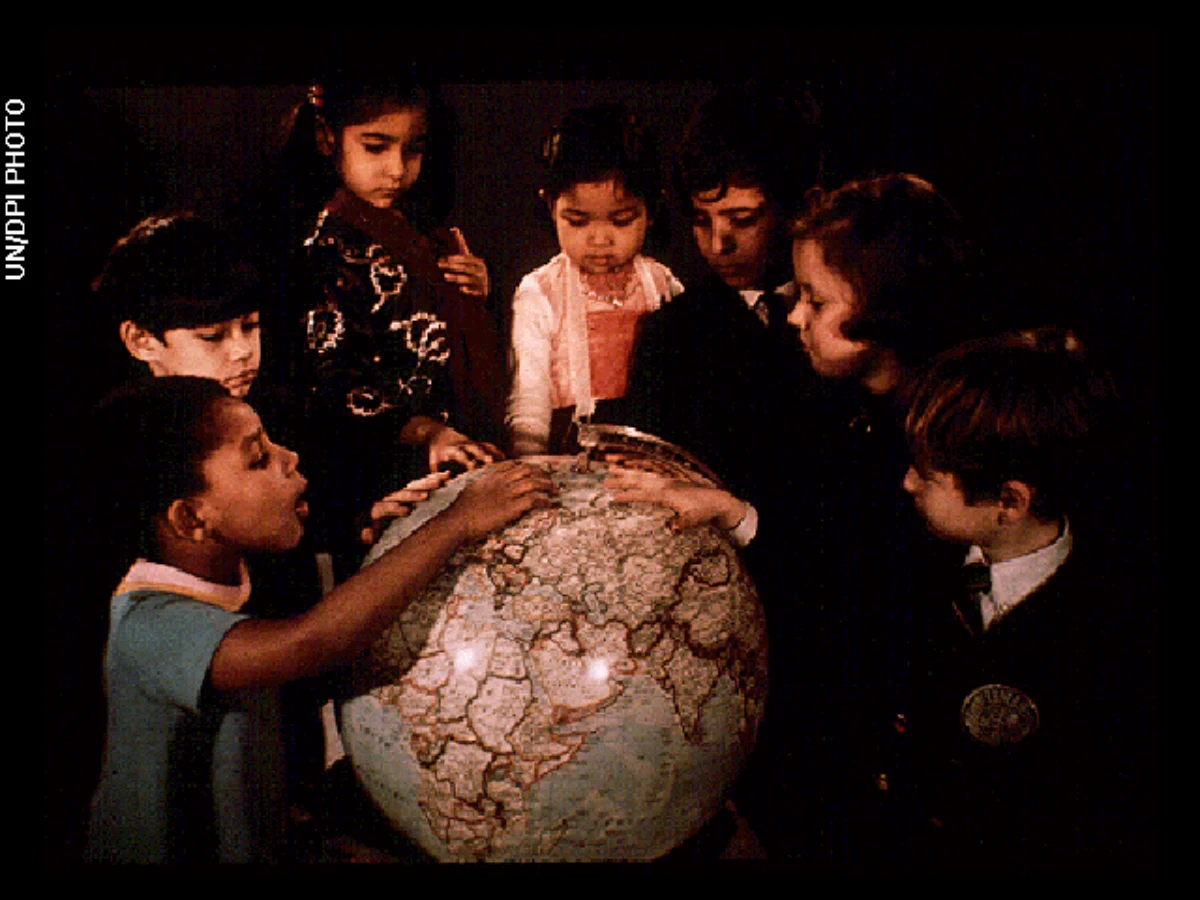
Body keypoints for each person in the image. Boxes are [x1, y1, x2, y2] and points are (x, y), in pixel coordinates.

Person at [607, 172, 988, 868]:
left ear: (887, 308)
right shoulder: (839, 401)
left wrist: (742, 519)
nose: (792, 317)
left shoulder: (944, 445)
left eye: (816, 301)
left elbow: (872, 586)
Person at [81, 376, 554, 865]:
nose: (289, 458)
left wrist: (389, 545)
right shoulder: (149, 626)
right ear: (191, 519)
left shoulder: (239, 576)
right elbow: (313, 643)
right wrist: (454, 524)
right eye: (258, 458)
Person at [895, 328, 1158, 873]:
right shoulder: (918, 556)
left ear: (1010, 502)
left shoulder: (1108, 638)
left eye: (928, 474)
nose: (907, 483)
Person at [287, 73, 507, 583]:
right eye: (375, 147)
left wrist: (477, 291)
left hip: (457, 450)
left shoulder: (421, 228)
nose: (396, 169)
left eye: (413, 150)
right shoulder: (328, 249)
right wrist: (427, 433)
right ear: (328, 137)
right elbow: (333, 386)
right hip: (386, 471)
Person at [622, 85, 821, 501]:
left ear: (805, 208)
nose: (717, 245)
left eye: (742, 219)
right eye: (701, 221)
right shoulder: (669, 335)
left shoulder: (852, 323)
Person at [505, 101, 684, 456]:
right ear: (550, 207)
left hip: (651, 451)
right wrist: (529, 461)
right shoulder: (540, 292)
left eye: (621, 221)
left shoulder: (664, 285)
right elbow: (529, 394)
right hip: (570, 452)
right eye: (577, 221)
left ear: (650, 211)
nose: (599, 240)